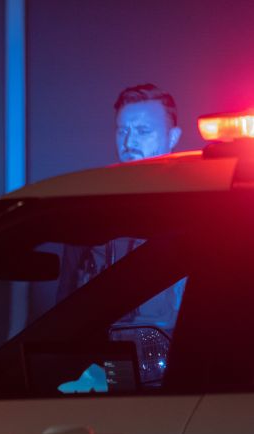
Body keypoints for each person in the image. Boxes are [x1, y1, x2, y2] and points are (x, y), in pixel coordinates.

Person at [57, 84, 184, 330]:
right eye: (122, 130)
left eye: (143, 130)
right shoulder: (90, 213)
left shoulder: (198, 211)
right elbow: (64, 304)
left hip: (179, 357)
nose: (129, 141)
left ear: (173, 137)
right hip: (101, 359)